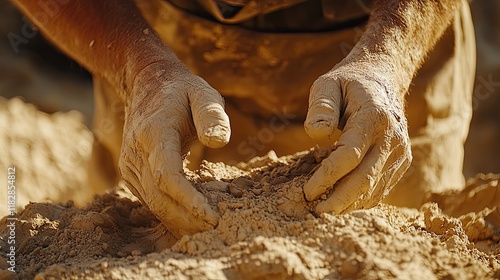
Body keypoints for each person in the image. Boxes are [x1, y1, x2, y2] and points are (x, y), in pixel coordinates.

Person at [12, 0, 475, 238]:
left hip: (393, 32)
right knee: (135, 225)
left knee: (403, 227)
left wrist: (388, 57)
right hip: (147, 37)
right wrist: (140, 69)